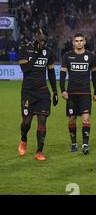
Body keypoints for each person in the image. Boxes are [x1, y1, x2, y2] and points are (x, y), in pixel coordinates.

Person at [18, 28, 58, 161]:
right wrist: (36, 53)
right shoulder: (24, 49)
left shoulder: (49, 52)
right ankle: (23, 140)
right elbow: (25, 69)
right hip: (28, 92)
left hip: (43, 91)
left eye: (45, 41)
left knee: (42, 121)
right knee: (27, 122)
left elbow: (51, 73)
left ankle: (39, 151)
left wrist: (55, 91)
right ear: (36, 37)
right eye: (41, 40)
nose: (43, 43)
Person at [60, 33, 96, 155]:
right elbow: (62, 75)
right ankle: (74, 144)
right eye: (76, 41)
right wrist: (63, 89)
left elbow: (94, 75)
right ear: (73, 42)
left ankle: (85, 144)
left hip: (85, 93)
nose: (79, 43)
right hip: (71, 93)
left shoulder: (91, 56)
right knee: (72, 119)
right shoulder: (67, 56)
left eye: (81, 40)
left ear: (85, 42)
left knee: (86, 119)